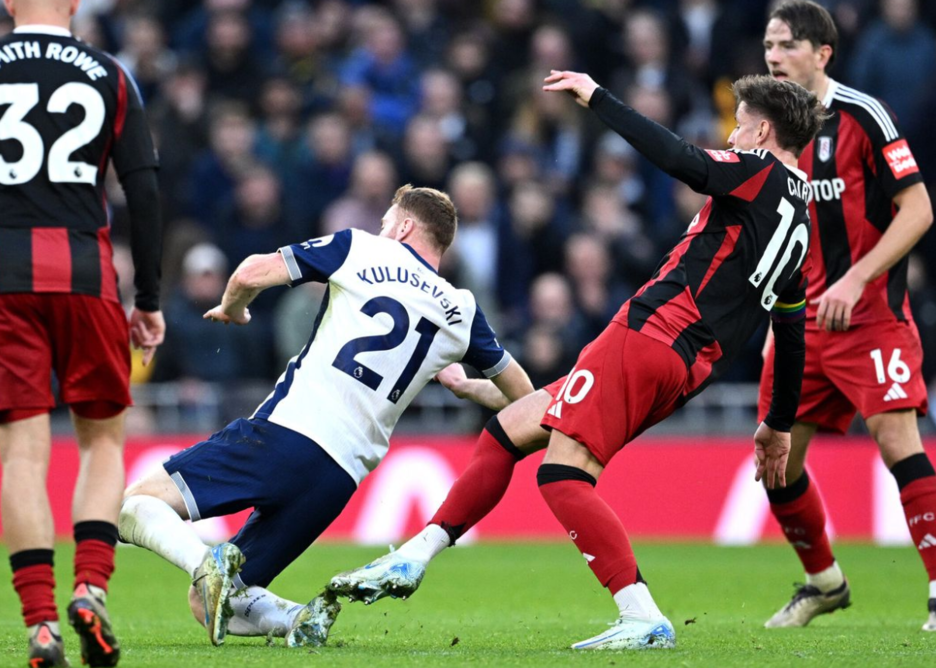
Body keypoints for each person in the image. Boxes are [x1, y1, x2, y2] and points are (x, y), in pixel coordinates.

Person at [330, 71, 826, 652]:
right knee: (508, 430)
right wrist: (778, 422)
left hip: (651, 332)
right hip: (686, 365)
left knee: (563, 473)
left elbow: (682, 159)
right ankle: (416, 555)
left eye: (739, 124)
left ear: (763, 129)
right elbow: (792, 330)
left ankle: (640, 614)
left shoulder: (757, 171)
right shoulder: (805, 224)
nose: (733, 135)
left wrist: (597, 98)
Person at [118, 185, 533, 648]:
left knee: (134, 504)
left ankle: (204, 562)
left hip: (287, 434)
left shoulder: (361, 247)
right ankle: (296, 619)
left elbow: (251, 271)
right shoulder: (462, 311)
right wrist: (466, 386)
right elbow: (525, 402)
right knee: (210, 603)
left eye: (386, 222)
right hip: (337, 479)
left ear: (404, 227)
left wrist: (234, 309)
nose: (381, 228)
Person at [0, 0, 166, 665]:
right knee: (103, 440)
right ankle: (91, 588)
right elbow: (143, 191)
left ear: (7, 3)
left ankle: (39, 626)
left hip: (1, 279)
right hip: (88, 274)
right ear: (75, 4)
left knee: (24, 456)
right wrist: (147, 297)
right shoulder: (110, 73)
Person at [760, 1, 936, 632]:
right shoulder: (765, 125)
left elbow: (919, 209)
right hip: (800, 323)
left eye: (786, 45)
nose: (772, 56)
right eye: (767, 45)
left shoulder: (864, 115)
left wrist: (855, 277)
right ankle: (825, 583)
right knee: (776, 462)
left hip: (869, 314)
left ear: (822, 54)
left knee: (896, 439)